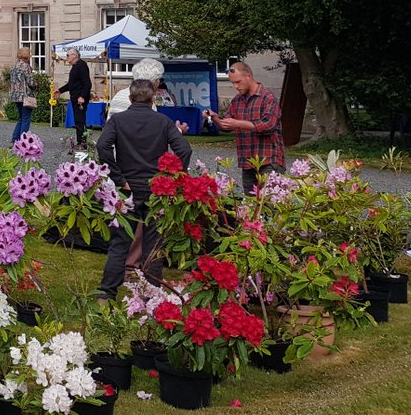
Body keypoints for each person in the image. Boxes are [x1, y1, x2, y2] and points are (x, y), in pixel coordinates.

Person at [95, 78, 193, 299]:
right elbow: (184, 150)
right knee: (154, 242)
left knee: (120, 242)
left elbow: (102, 146)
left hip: (127, 188)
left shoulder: (118, 120)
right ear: (153, 98)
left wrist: (118, 177)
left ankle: (107, 292)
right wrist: (172, 177)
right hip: (156, 189)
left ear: (130, 98)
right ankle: (151, 293)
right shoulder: (163, 121)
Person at [204, 61, 283, 194]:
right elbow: (226, 125)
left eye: (238, 82)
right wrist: (215, 117)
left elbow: (269, 125)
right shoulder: (237, 100)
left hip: (268, 160)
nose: (235, 86)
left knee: (271, 204)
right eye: (233, 83)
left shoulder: (268, 98)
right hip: (247, 162)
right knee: (250, 206)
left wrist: (238, 123)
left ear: (249, 76)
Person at [57, 47, 92, 148]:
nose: (66, 57)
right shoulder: (75, 67)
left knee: (80, 120)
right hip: (75, 97)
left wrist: (82, 96)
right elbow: (71, 84)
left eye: (68, 55)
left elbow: (87, 83)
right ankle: (80, 141)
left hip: (79, 99)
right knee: (78, 120)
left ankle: (82, 142)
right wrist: (60, 90)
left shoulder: (81, 65)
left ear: (74, 56)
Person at [9, 47, 36, 143]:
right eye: (29, 53)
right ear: (27, 55)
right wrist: (36, 84)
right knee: (26, 119)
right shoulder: (26, 66)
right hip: (25, 96)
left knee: (21, 118)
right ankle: (22, 141)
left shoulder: (14, 66)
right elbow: (30, 82)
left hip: (15, 96)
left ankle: (14, 140)